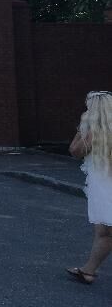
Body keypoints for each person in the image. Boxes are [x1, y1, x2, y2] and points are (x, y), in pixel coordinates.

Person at [67, 90, 112, 285]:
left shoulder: (95, 133)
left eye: (88, 108)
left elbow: (74, 151)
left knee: (105, 231)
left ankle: (89, 271)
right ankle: (89, 271)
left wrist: (82, 127)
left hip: (104, 189)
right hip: (103, 188)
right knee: (105, 231)